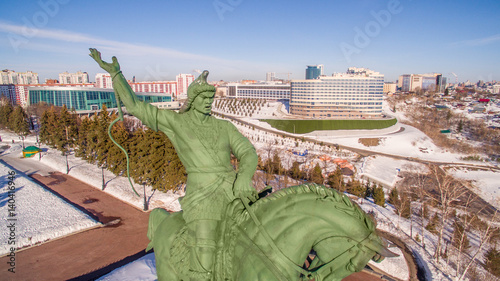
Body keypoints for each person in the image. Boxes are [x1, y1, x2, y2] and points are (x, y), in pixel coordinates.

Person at [89, 48, 258, 280]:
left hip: (234, 188)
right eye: (203, 98)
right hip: (203, 195)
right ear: (193, 100)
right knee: (205, 253)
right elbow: (137, 107)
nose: (208, 103)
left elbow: (247, 151)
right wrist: (116, 75)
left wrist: (245, 177)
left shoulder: (224, 127)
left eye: (211, 98)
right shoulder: (176, 123)